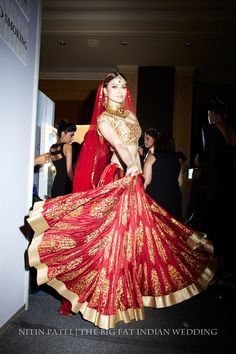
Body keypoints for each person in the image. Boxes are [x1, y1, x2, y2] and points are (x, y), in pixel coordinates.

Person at [27, 72, 218, 329]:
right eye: (114, 86)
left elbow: (136, 148)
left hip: (134, 179)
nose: (119, 90)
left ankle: (121, 295)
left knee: (135, 237)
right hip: (118, 176)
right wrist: (130, 167)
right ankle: (104, 303)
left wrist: (138, 172)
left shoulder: (130, 115)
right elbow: (118, 145)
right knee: (111, 239)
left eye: (123, 86)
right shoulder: (104, 118)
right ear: (104, 91)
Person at [143, 131, 183, 222]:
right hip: (174, 199)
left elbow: (146, 181)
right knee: (174, 230)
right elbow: (180, 183)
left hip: (157, 199)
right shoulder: (177, 160)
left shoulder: (152, 157)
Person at [49, 120, 77, 198]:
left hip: (56, 185)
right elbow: (69, 171)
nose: (72, 138)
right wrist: (75, 184)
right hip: (65, 186)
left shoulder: (52, 148)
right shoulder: (68, 147)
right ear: (62, 134)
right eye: (71, 135)